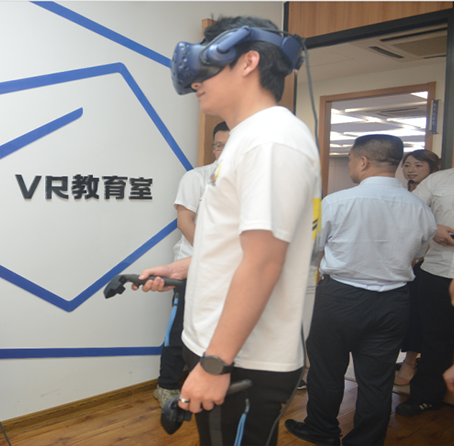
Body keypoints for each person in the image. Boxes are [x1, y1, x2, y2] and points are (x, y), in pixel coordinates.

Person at [135, 16, 321, 446]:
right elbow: (240, 247)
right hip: (225, 349)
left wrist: (215, 364)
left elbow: (264, 262)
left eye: (207, 65)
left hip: (244, 361)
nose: (195, 81)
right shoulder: (247, 137)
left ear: (248, 62)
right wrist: (184, 268)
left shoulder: (272, 140)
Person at [284, 135, 436, 446]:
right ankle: (366, 441)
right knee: (377, 380)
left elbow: (311, 248)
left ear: (363, 161)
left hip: (341, 298)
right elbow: (419, 253)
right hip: (394, 301)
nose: (351, 165)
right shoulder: (420, 208)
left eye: (351, 159)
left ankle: (322, 431)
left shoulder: (335, 202)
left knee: (326, 371)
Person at [154, 122, 230, 408]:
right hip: (193, 268)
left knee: (221, 331)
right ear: (213, 148)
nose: (224, 151)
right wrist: (213, 257)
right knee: (180, 329)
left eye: (231, 145)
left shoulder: (250, 182)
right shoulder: (196, 177)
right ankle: (166, 385)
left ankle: (212, 383)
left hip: (231, 272)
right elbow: (185, 222)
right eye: (219, 145)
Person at [396, 166, 454, 416]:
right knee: (434, 339)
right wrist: (433, 227)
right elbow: (407, 210)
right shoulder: (440, 179)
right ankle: (425, 397)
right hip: (438, 272)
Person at [396, 149, 441, 386]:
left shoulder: (439, 197)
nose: (411, 170)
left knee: (416, 314)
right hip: (399, 263)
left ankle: (410, 361)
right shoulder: (403, 195)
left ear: (434, 169)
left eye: (418, 165)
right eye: (407, 165)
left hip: (425, 265)